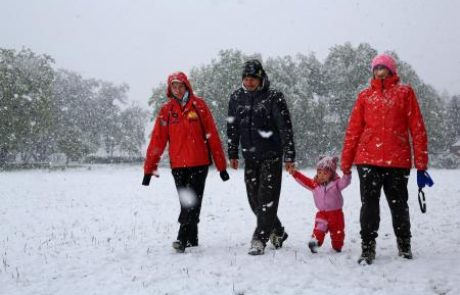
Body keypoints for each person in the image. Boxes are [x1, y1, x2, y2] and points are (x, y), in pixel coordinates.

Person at [341, 53, 432, 264]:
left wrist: (421, 164)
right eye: (376, 68)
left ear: (391, 71)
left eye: (383, 68)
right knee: (369, 205)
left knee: (399, 204)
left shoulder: (405, 93)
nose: (379, 71)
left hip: (397, 160)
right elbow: (353, 130)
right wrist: (346, 162)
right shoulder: (364, 96)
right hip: (367, 160)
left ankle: (404, 244)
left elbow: (417, 128)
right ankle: (367, 247)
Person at [142, 71, 230, 253]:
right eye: (174, 86)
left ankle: (182, 239)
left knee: (192, 202)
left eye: (180, 85)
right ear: (170, 89)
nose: (178, 89)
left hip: (199, 163)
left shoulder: (199, 106)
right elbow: (158, 140)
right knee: (187, 202)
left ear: (187, 86)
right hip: (178, 166)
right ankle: (192, 239)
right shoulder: (167, 111)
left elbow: (212, 135)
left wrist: (221, 166)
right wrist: (148, 169)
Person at [227, 59, 296, 255]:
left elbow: (285, 127)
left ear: (261, 78)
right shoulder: (236, 98)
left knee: (267, 199)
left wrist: (289, 155)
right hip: (249, 156)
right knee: (254, 200)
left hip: (271, 155)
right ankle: (278, 231)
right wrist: (233, 151)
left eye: (253, 79)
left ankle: (259, 239)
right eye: (246, 79)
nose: (249, 82)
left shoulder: (274, 97)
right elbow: (232, 127)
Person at [288, 156, 351, 253]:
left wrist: (347, 174)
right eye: (319, 172)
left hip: (336, 214)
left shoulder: (336, 184)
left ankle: (337, 246)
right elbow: (304, 180)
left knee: (338, 233)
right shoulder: (315, 185)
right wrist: (295, 173)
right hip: (322, 214)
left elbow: (345, 182)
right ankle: (315, 242)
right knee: (319, 229)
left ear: (332, 174)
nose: (321, 175)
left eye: (325, 173)